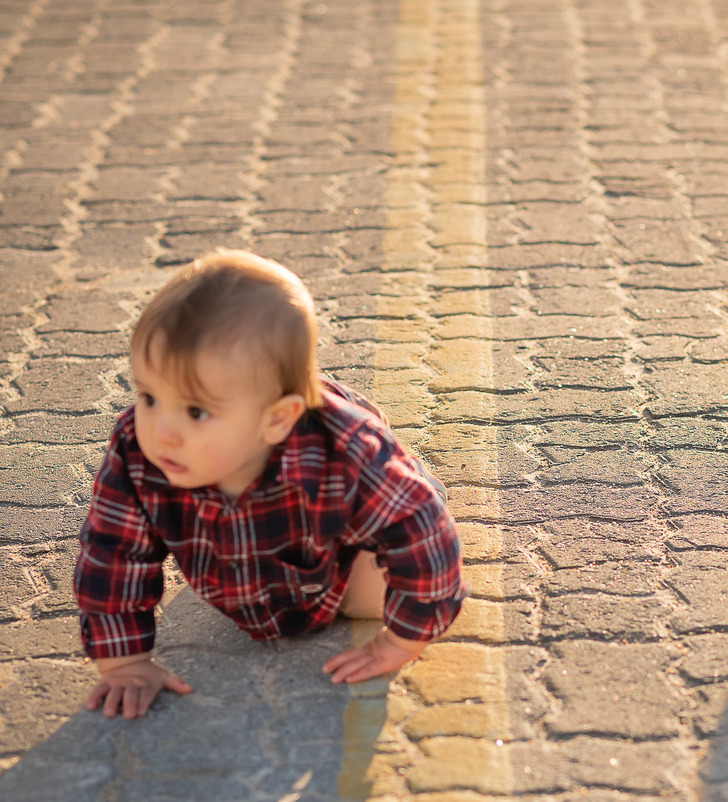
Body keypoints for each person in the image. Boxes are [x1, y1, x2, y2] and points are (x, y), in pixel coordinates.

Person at [74, 250, 465, 719]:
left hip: (336, 549)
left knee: (375, 596)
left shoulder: (342, 457)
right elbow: (112, 553)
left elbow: (421, 532)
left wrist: (402, 641)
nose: (163, 431)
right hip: (246, 557)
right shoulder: (140, 449)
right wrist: (124, 663)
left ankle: (406, 467)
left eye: (196, 411)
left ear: (277, 420)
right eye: (150, 397)